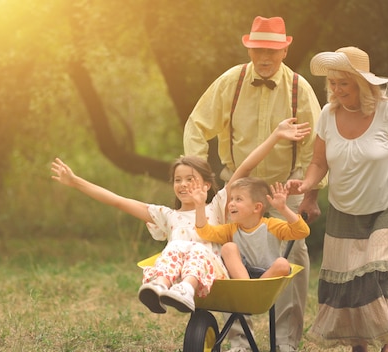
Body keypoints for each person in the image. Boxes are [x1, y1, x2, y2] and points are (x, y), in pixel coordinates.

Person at [49, 118, 308, 315]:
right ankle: (160, 286)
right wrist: (76, 182)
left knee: (193, 248)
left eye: (190, 180)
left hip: (213, 271)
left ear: (207, 185)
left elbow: (245, 168)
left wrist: (275, 135)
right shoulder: (166, 215)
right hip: (180, 268)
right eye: (178, 180)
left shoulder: (217, 207)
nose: (183, 185)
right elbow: (119, 201)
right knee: (174, 248)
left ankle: (186, 288)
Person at [286, 46, 388, 352]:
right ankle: (359, 345)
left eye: (343, 83)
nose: (335, 89)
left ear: (361, 83)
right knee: (348, 280)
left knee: (376, 269)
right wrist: (306, 186)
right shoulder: (327, 115)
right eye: (332, 83)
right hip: (345, 209)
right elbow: (319, 163)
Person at [183, 15, 326, 352]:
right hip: (238, 185)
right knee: (226, 255)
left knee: (295, 258)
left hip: (282, 190)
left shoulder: (298, 88)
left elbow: (317, 147)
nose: (265, 57)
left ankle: (287, 341)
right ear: (249, 47)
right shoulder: (230, 82)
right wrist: (198, 180)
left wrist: (311, 194)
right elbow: (196, 126)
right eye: (259, 49)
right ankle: (237, 339)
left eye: (273, 51)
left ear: (286, 49)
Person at [194, 177, 309, 280]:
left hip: (268, 274)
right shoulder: (231, 229)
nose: (231, 204)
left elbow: (302, 231)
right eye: (232, 199)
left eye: (238, 199)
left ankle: (255, 289)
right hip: (242, 274)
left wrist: (283, 209)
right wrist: (199, 206)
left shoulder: (271, 226)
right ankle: (247, 287)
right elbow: (205, 232)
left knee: (283, 264)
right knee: (228, 247)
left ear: (257, 207)